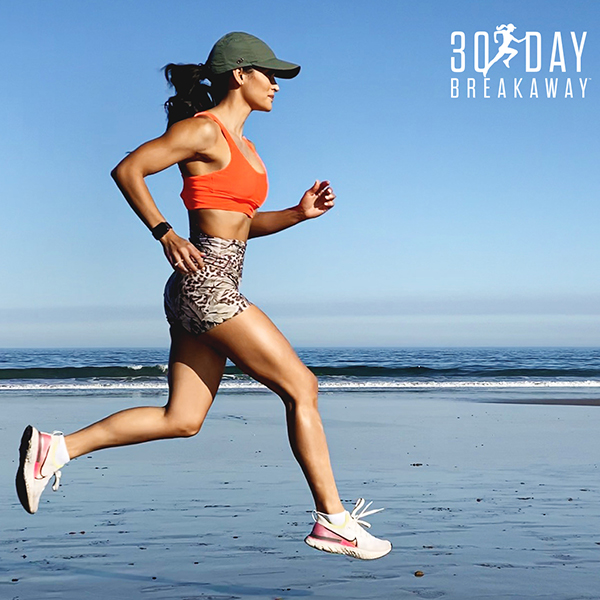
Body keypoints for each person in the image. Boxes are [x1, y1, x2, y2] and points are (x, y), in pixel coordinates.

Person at [15, 32, 391, 560]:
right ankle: (332, 520)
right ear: (240, 73)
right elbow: (129, 170)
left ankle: (57, 449)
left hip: (210, 286)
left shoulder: (247, 147)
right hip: (206, 284)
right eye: (271, 75)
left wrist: (298, 214)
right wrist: (165, 232)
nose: (277, 86)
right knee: (302, 387)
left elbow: (241, 224)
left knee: (182, 420)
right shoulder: (202, 132)